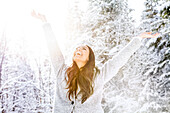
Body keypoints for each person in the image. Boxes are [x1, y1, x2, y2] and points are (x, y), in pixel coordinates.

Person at [31, 11, 160, 113]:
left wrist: (137, 39)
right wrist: (45, 23)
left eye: (83, 49)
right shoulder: (62, 71)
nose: (78, 50)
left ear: (89, 58)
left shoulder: (98, 76)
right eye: (77, 49)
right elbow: (53, 49)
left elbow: (118, 60)